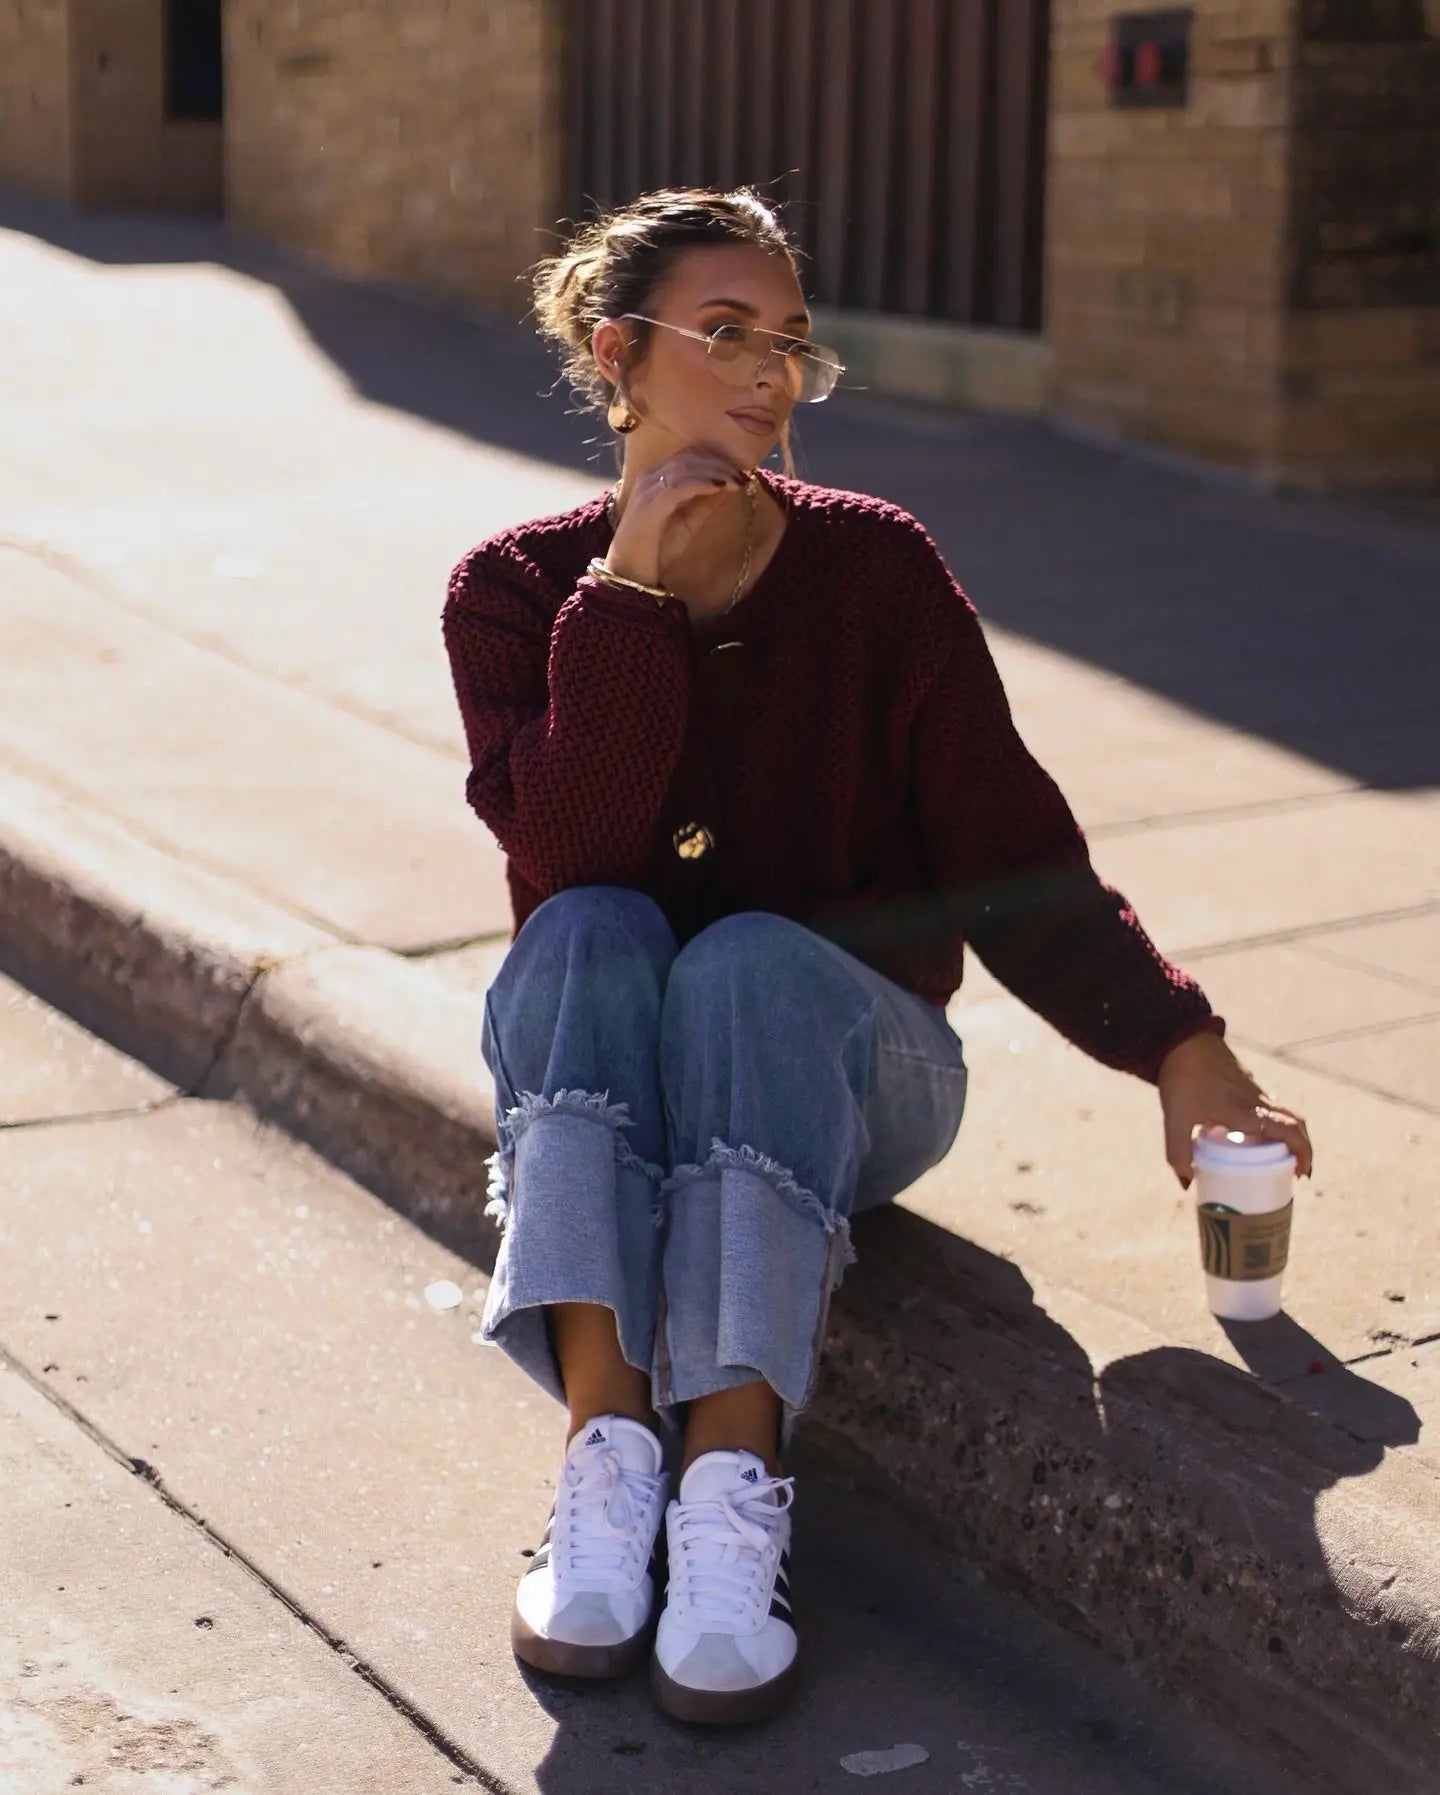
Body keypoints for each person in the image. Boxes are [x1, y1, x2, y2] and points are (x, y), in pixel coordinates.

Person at [441, 187, 1313, 1728]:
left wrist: (1183, 1047)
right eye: (727, 336)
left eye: (792, 342)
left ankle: (730, 1488)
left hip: (851, 1076)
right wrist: (628, 599)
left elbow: (1005, 842)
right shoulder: (515, 592)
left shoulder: (874, 570)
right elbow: (567, 851)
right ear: (617, 353)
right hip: (617, 1066)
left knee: (754, 967)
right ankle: (607, 1457)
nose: (771, 374)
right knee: (586, 932)